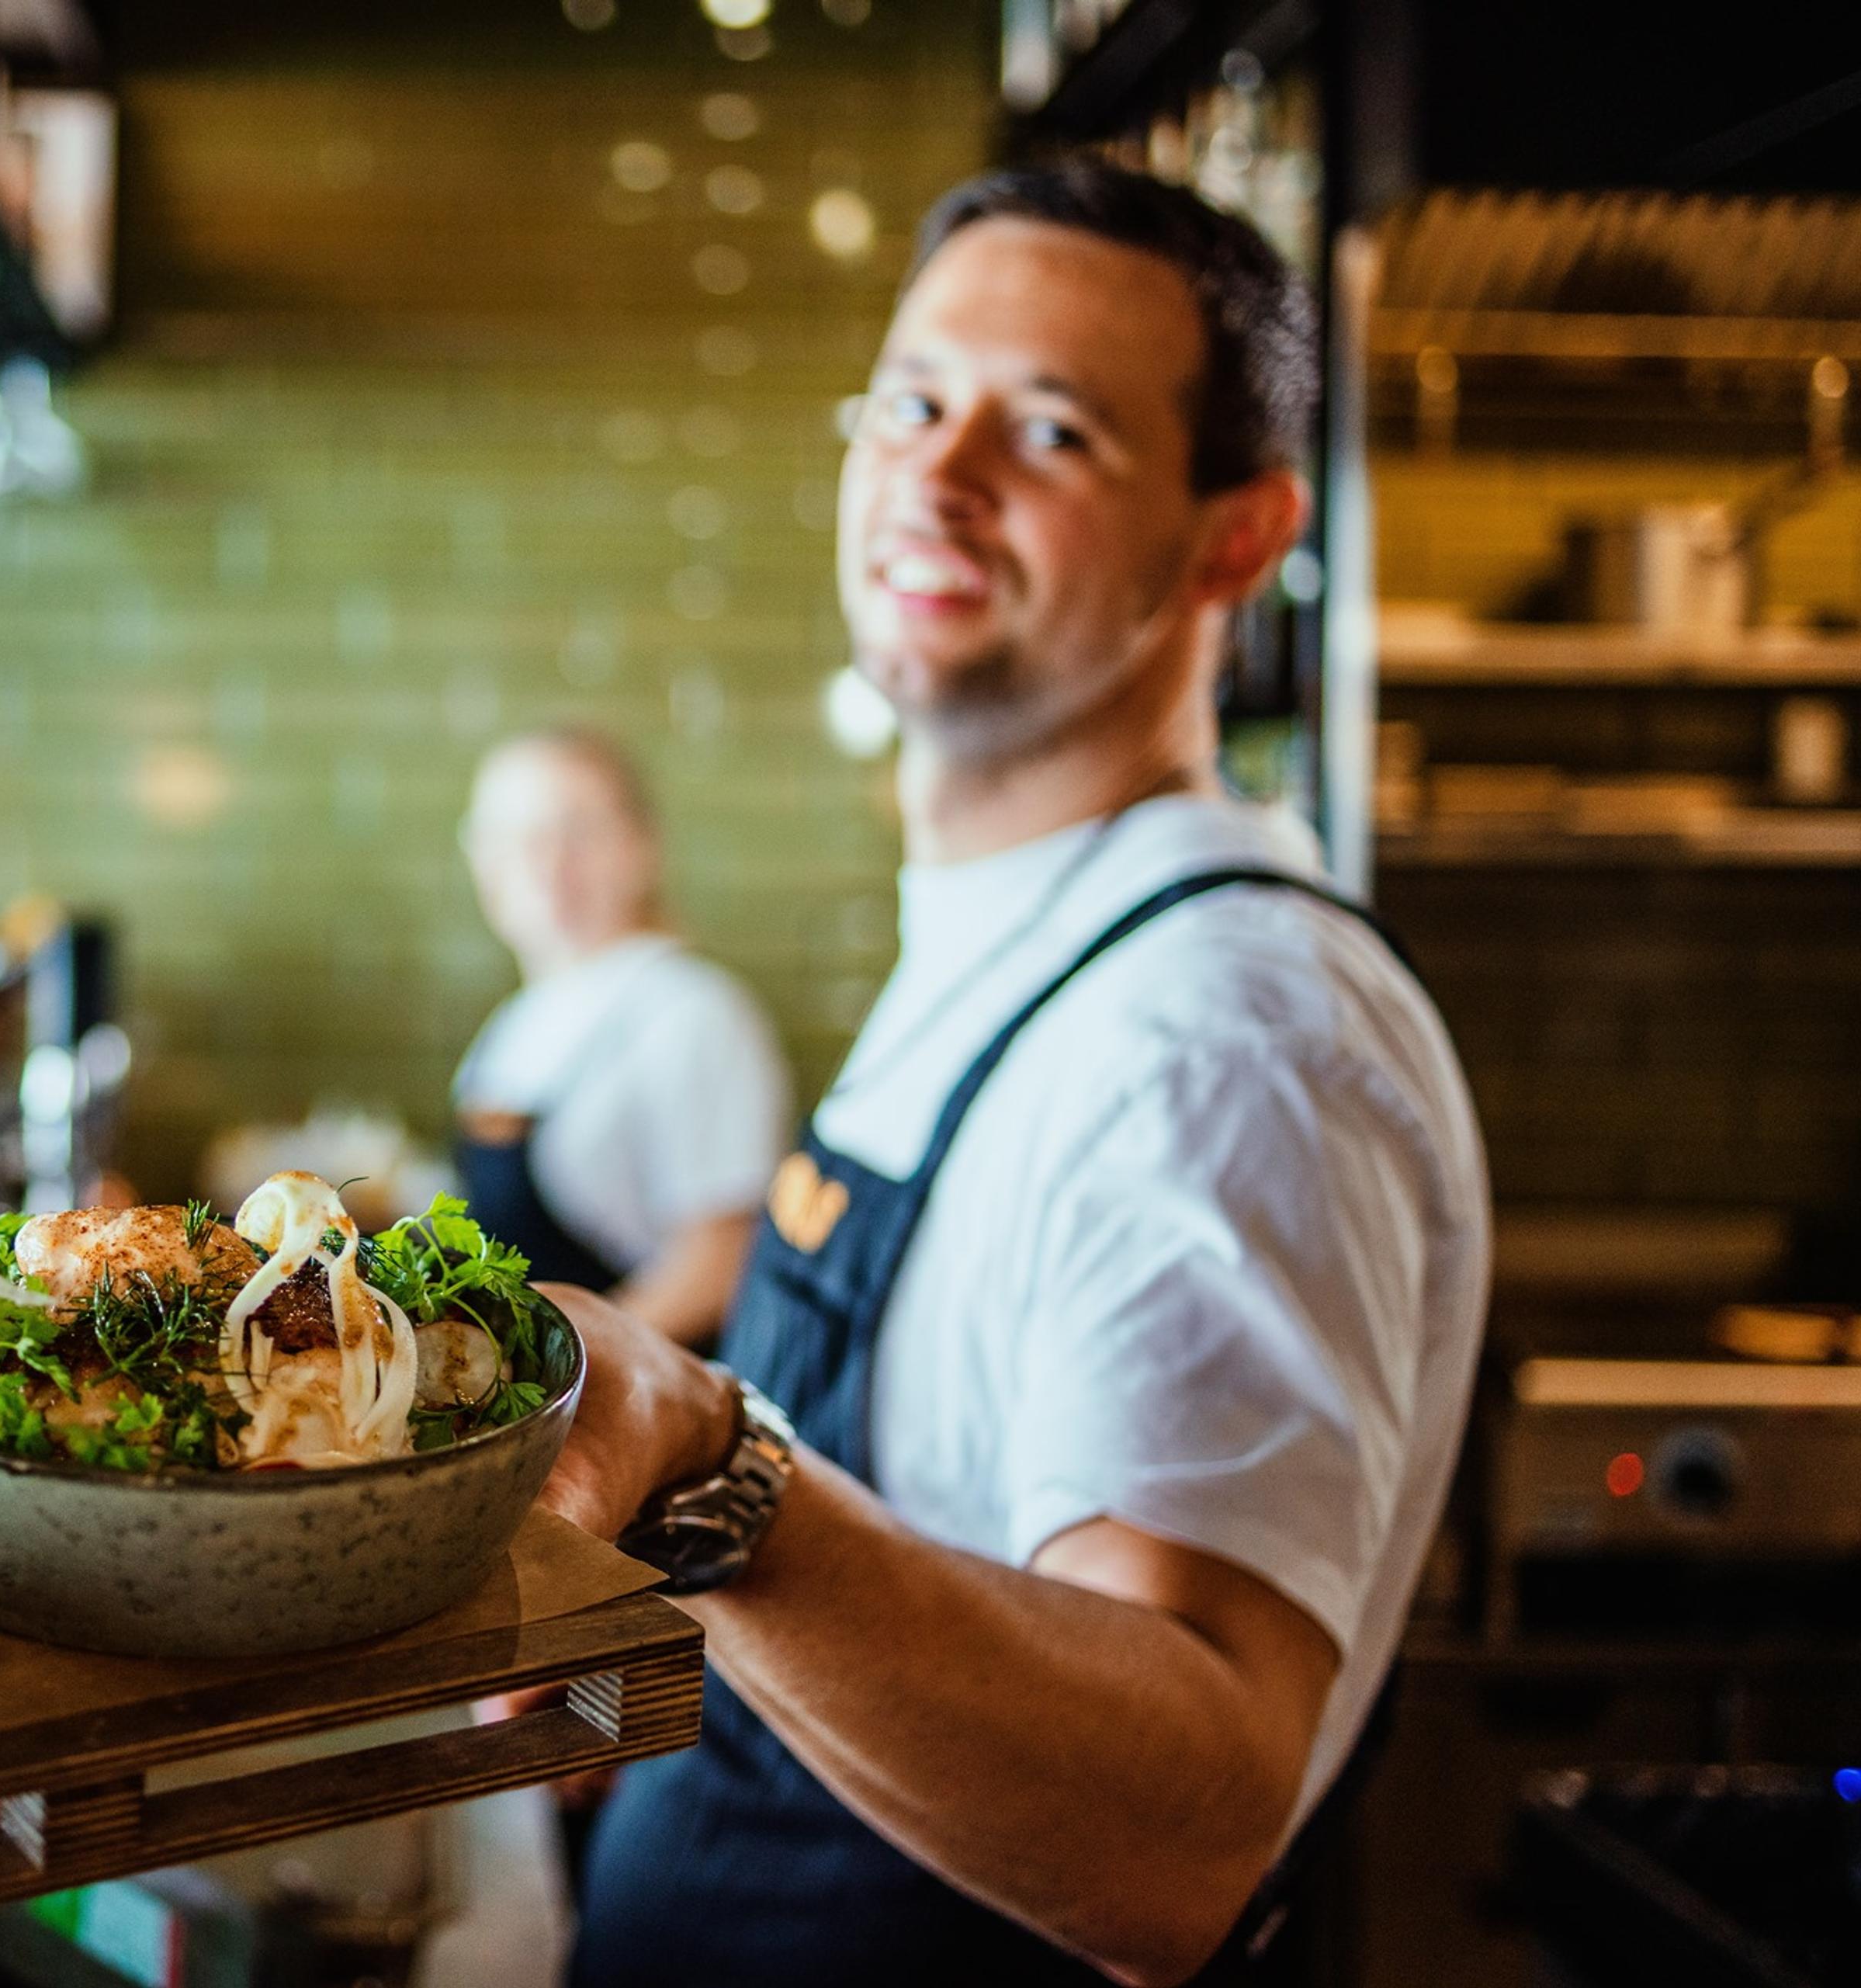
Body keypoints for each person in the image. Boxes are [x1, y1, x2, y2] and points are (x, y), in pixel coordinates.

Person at [541, 161, 1492, 1987]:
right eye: (909, 398)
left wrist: (706, 1461)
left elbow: (1179, 1824)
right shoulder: (1030, 931)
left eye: (1046, 430)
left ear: (1233, 535)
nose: (935, 470)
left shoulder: (1220, 1031)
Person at [453, 728, 790, 1345]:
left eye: (579, 830)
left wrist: (559, 1373)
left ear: (643, 847)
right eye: (516, 837)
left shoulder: (693, 1011)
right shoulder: (512, 1022)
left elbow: (721, 1262)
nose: (549, 863)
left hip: (643, 1408)